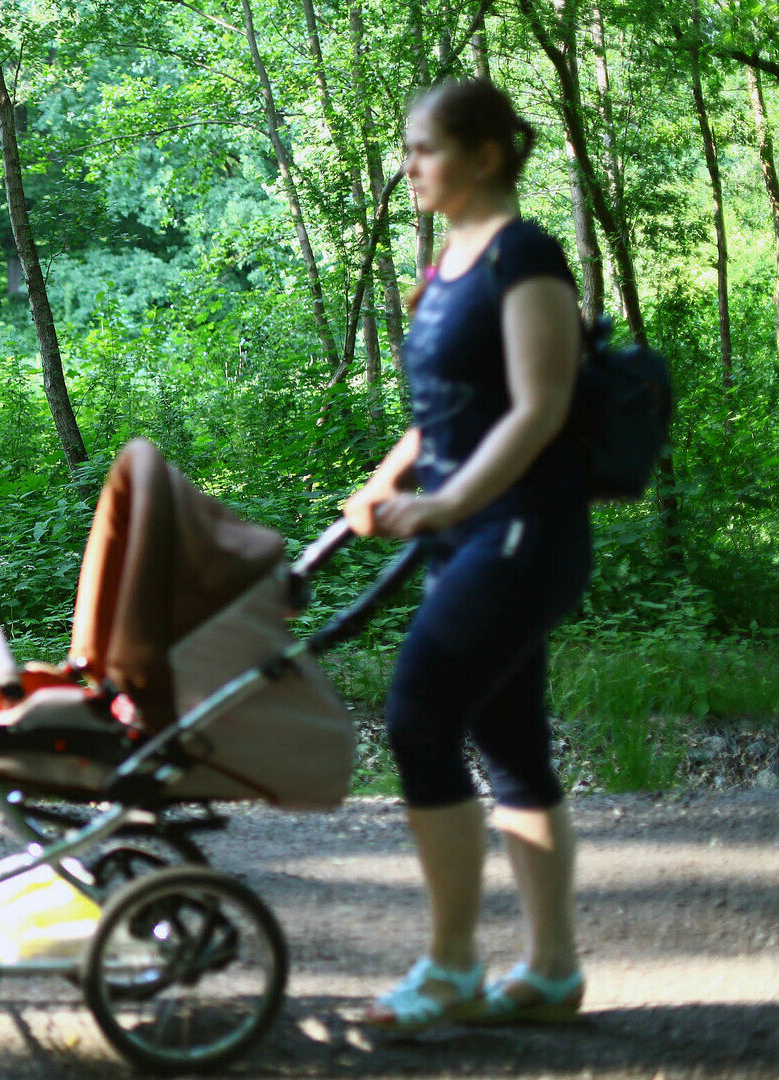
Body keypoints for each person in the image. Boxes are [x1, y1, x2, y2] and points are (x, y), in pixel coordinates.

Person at [346, 80, 590, 1029]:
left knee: (419, 716)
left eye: (424, 149)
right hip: (471, 533)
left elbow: (541, 406)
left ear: (485, 156)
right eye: (407, 150)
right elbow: (442, 413)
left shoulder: (526, 257)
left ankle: (449, 969)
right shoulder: (450, 260)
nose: (408, 167)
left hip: (522, 531)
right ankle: (553, 973)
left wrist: (445, 500)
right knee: (510, 742)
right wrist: (386, 481)